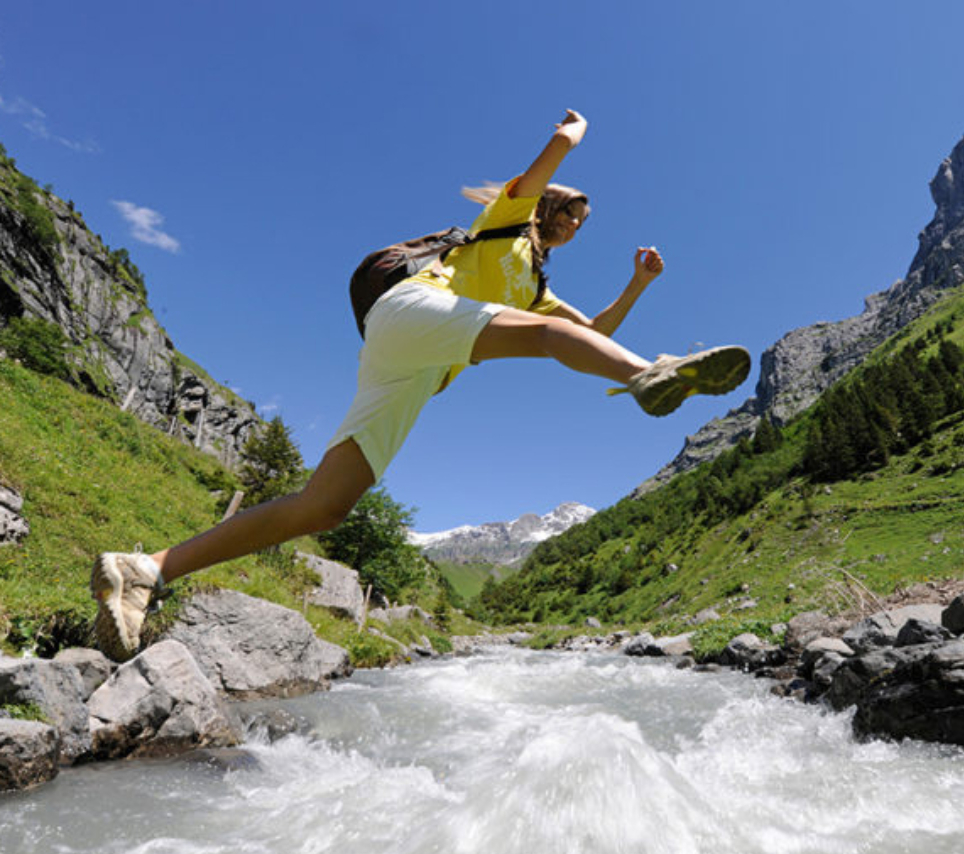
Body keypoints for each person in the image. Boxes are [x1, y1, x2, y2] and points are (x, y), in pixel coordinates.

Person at [90, 110, 750, 661]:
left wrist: (639, 284)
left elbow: (595, 328)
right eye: (573, 212)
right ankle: (649, 374)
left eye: (582, 221)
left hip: (417, 363)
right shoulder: (502, 222)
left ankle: (145, 569)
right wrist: (571, 134)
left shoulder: (538, 287)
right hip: (410, 311)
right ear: (546, 206)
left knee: (325, 505)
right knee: (552, 342)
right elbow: (544, 170)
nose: (577, 224)